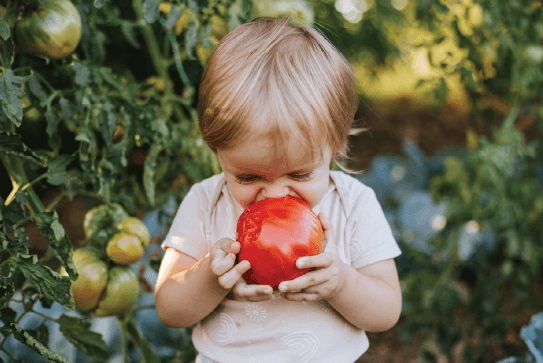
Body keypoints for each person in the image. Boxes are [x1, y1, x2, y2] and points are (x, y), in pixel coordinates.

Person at [155, 16, 402, 363]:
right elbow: (169, 307)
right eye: (248, 178)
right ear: (218, 153)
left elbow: (387, 310)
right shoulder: (205, 203)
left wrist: (342, 283)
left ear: (334, 147)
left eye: (300, 174)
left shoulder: (353, 204)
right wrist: (210, 279)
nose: (273, 196)